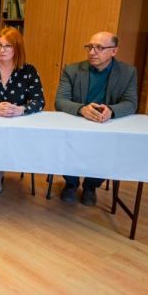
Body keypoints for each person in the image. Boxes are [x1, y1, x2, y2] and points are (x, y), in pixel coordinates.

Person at [55, 31, 138, 206]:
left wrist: (111, 111)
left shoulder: (128, 72)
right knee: (64, 142)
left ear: (114, 51)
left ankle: (91, 186)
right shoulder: (72, 70)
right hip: (77, 124)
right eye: (90, 47)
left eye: (99, 48)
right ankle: (71, 183)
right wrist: (81, 109)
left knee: (108, 148)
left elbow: (131, 103)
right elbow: (60, 101)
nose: (92, 52)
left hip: (105, 126)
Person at [0, 27, 44, 194]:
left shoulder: (28, 71)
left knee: (3, 136)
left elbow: (39, 101)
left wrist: (21, 110)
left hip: (17, 124)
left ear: (17, 48)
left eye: (8, 46)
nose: (2, 50)